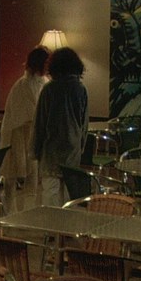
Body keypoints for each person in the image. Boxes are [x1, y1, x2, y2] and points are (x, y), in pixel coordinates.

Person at [32, 47, 89, 207]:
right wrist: (81, 146)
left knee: (50, 194)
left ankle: (51, 223)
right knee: (69, 196)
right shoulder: (80, 89)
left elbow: (40, 123)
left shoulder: (49, 89)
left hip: (51, 149)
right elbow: (84, 124)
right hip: (72, 147)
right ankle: (66, 222)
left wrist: (36, 150)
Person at [0, 46, 50, 213]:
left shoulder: (44, 83)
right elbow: (25, 112)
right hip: (17, 133)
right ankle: (9, 210)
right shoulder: (23, 85)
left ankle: (28, 211)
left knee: (32, 174)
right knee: (12, 173)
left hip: (32, 133)